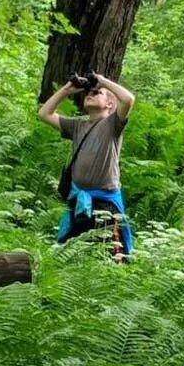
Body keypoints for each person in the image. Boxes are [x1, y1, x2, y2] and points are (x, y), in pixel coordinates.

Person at [38, 73, 135, 256]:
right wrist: (67, 90)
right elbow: (44, 114)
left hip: (105, 202)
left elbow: (128, 99)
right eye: (88, 92)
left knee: (105, 254)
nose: (90, 94)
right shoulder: (77, 126)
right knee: (72, 254)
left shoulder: (112, 124)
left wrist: (103, 81)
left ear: (110, 104)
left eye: (97, 93)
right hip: (79, 201)